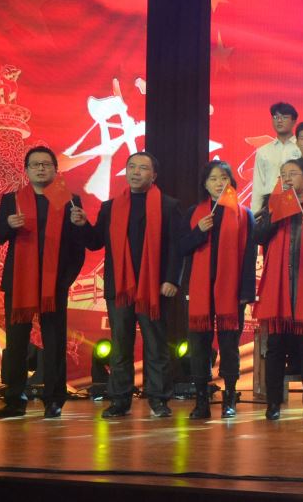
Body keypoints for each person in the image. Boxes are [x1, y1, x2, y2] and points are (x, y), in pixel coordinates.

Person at [79, 151, 185, 419]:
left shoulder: (169, 205)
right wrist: (82, 225)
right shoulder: (110, 207)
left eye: (143, 168)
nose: (136, 172)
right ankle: (119, 399)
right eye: (131, 167)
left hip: (154, 287)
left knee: (156, 345)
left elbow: (177, 247)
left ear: (154, 175)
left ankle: (159, 399)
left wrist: (172, 279)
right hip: (120, 287)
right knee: (120, 345)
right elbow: (95, 242)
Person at [0, 146, 87, 419]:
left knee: (54, 342)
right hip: (20, 283)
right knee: (16, 342)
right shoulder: (12, 200)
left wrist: (66, 279)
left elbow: (79, 246)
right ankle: (14, 400)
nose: (41, 168)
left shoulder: (68, 200)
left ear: (56, 169)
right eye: (35, 164)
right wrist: (8, 225)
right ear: (27, 170)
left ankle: (54, 399)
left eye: (46, 164)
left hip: (54, 284)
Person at [254, 158, 303, 421]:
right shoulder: (272, 205)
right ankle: (273, 403)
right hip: (279, 290)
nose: (287, 178)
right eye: (283, 174)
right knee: (275, 347)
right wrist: (276, 214)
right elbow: (258, 237)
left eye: (293, 173)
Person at [181, 160, 257, 419]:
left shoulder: (243, 214)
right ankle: (201, 401)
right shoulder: (194, 213)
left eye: (224, 178)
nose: (218, 183)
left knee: (229, 346)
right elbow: (181, 247)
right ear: (205, 184)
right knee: (199, 347)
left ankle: (230, 398)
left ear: (231, 182)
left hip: (231, 292)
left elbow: (249, 256)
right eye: (213, 179)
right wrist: (199, 232)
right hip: (199, 291)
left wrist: (246, 292)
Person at [252, 102, 301, 211]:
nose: (279, 120)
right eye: (275, 117)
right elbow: (258, 185)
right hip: (270, 205)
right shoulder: (263, 151)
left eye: (284, 117)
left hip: (296, 203)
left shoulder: (301, 148)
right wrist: (255, 213)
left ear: (294, 121)